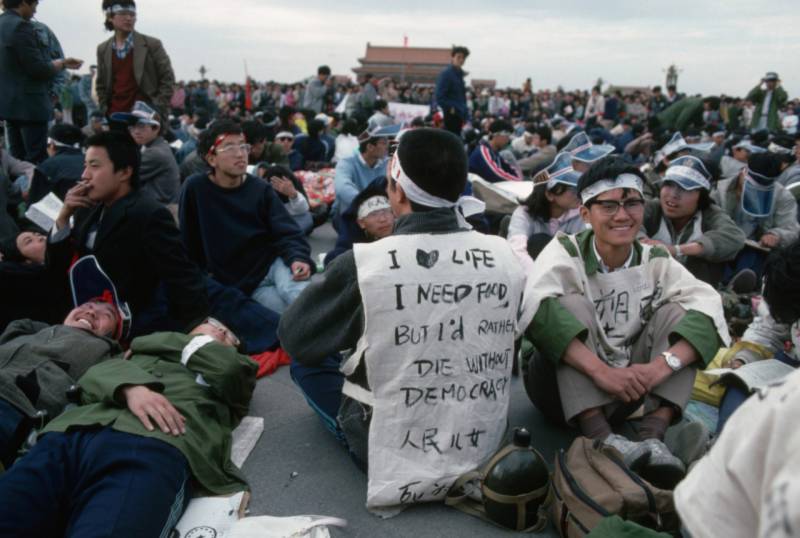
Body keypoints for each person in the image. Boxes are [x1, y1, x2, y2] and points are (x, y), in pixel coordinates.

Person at [279, 128, 524, 511]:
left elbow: (296, 337)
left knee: (306, 364)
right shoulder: (504, 253)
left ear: (398, 191)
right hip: (483, 441)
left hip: (389, 446)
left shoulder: (366, 263)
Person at [521, 156, 729, 489]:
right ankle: (601, 438)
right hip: (557, 391)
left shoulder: (654, 258)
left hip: (629, 389)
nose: (622, 215)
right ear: (586, 214)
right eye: (609, 206)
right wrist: (601, 372)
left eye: (632, 203)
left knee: (680, 311)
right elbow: (536, 312)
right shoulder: (564, 250)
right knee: (567, 304)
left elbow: (709, 308)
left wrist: (658, 368)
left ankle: (653, 434)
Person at [0, 319, 257, 537]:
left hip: (155, 444)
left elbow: (229, 370)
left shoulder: (237, 366)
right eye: (212, 323)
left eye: (230, 336)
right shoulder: (134, 354)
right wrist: (130, 388)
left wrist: (153, 343)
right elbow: (93, 377)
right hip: (70, 434)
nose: (221, 331)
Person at [674, 242, 800, 537]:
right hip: (788, 362)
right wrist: (743, 359)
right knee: (739, 388)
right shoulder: (790, 287)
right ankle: (719, 450)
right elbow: (770, 329)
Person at [47, 130, 209, 337]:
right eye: (85, 165)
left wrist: (194, 332)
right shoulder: (87, 207)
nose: (84, 175)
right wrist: (63, 217)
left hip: (128, 325)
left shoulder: (148, 214)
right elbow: (55, 269)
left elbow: (182, 279)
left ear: (124, 172)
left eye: (94, 166)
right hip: (81, 312)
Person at [180, 120, 314, 315]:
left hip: (275, 263)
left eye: (243, 146)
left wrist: (297, 257)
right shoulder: (196, 189)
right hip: (244, 283)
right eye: (229, 147)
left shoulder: (260, 189)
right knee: (287, 319)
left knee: (302, 299)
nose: (240, 153)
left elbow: (288, 232)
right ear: (211, 159)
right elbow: (188, 243)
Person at [0, 299, 123, 468]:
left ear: (113, 335)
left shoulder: (106, 354)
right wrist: (58, 327)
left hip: (14, 406)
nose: (92, 312)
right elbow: (19, 325)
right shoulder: (34, 334)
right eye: (86, 306)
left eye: (106, 315)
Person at [640, 155, 745, 287]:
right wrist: (646, 244)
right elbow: (629, 224)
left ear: (701, 196)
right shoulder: (652, 208)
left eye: (685, 189)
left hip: (694, 290)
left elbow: (735, 237)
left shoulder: (709, 214)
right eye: (669, 185)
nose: (673, 195)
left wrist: (678, 250)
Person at [0, 0, 83, 163]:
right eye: (34, 5)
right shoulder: (23, 27)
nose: (34, 12)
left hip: (9, 108)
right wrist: (63, 63)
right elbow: (39, 69)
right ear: (23, 2)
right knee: (36, 161)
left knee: (16, 161)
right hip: (31, 107)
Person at [713, 152, 800, 283]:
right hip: (722, 243)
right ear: (744, 171)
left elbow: (791, 229)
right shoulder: (721, 190)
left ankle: (740, 284)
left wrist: (776, 236)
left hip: (756, 250)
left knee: (752, 257)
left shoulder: (783, 196)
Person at [507, 152, 584, 273]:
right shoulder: (524, 214)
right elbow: (517, 250)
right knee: (539, 241)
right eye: (572, 189)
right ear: (549, 194)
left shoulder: (582, 214)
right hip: (532, 278)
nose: (578, 194)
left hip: (568, 277)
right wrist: (540, 280)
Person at [96, 0, 175, 117]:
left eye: (132, 15)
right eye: (123, 14)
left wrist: (157, 109)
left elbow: (167, 79)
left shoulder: (152, 44)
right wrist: (105, 109)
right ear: (109, 17)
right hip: (115, 115)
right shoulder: (103, 49)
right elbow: (101, 85)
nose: (129, 18)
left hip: (145, 117)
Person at [112, 100, 180, 204]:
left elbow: (117, 178)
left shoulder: (155, 153)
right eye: (132, 126)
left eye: (141, 125)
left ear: (156, 128)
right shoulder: (153, 146)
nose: (135, 131)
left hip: (160, 212)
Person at [323, 177, 394, 266]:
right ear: (361, 223)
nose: (383, 219)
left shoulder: (403, 226)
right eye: (374, 214)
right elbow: (333, 262)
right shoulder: (352, 232)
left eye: (386, 211)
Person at [332, 126, 392, 222]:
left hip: (378, 211)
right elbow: (342, 187)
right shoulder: (347, 162)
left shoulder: (386, 162)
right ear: (370, 147)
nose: (387, 146)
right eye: (384, 143)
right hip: (351, 212)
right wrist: (368, 204)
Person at [29, 124, 85, 204]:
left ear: (52, 144)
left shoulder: (47, 166)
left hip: (59, 214)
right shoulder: (90, 161)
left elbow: (34, 206)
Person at [468, 119, 523, 183]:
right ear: (496, 135)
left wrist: (518, 179)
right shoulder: (483, 151)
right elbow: (496, 174)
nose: (508, 140)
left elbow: (510, 168)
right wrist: (518, 181)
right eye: (507, 136)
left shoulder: (494, 153)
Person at [435, 45, 469, 137]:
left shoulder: (459, 74)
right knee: (451, 141)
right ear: (453, 57)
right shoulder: (447, 74)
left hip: (460, 113)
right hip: (450, 115)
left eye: (463, 58)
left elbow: (461, 96)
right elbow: (439, 96)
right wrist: (451, 108)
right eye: (458, 57)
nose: (461, 60)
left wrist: (465, 111)